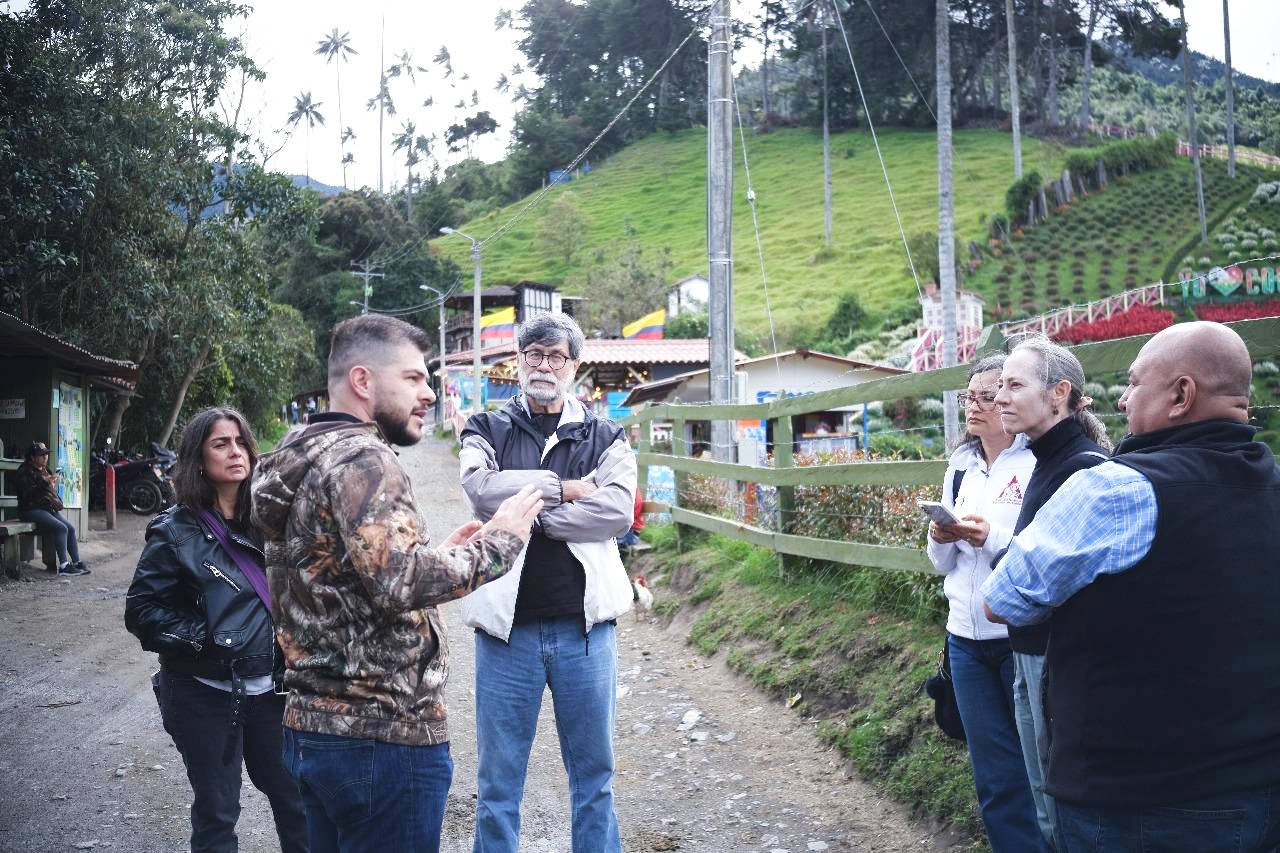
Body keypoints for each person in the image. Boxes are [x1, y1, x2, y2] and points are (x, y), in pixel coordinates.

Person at [250, 314, 544, 853]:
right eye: (412, 378)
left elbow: (340, 575)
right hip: (382, 736)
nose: (428, 393)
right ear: (362, 381)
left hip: (312, 728)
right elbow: (400, 582)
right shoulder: (365, 458)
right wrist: (502, 540)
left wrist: (441, 553)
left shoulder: (302, 452)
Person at [982, 321, 1280, 851]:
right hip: (1258, 787)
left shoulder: (1117, 490)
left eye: (1135, 383)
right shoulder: (1272, 486)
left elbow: (1003, 599)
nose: (1121, 400)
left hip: (1132, 800)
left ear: (1181, 395)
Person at [458, 312, 636, 853]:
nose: (543, 365)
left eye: (556, 356)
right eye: (533, 354)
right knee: (497, 783)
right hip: (505, 637)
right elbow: (480, 489)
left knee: (595, 779)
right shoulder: (485, 427)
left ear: (573, 366)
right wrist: (566, 488)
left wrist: (535, 516)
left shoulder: (605, 435)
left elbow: (618, 510)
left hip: (586, 634)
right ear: (518, 360)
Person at [124, 408, 307, 853]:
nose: (235, 451)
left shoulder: (272, 521)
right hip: (203, 693)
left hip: (272, 690)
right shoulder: (174, 531)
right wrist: (210, 639)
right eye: (221, 444)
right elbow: (142, 611)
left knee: (297, 801)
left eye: (241, 442)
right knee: (218, 812)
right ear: (198, 460)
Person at [983, 335, 1111, 847]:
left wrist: (1002, 563)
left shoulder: (1082, 468)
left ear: (1059, 393)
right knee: (1043, 796)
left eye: (1014, 385)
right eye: (999, 386)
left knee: (1055, 801)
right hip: (1030, 651)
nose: (999, 397)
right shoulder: (1049, 459)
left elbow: (1049, 574)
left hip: (1054, 658)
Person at [925, 354, 1044, 852]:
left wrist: (989, 538)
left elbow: (1043, 557)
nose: (973, 406)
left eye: (986, 396)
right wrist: (941, 535)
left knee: (1039, 767)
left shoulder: (1039, 464)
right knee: (994, 774)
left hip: (1019, 637)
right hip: (964, 639)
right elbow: (939, 564)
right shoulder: (961, 466)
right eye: (967, 396)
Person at [15, 440, 88, 575]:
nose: (45, 457)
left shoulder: (45, 469)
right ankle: (64, 566)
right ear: (32, 457)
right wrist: (44, 483)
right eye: (41, 455)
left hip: (46, 508)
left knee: (70, 528)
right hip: (29, 510)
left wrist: (51, 485)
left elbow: (47, 491)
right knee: (61, 528)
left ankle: (77, 562)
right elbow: (27, 495)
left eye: (46, 454)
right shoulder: (24, 471)